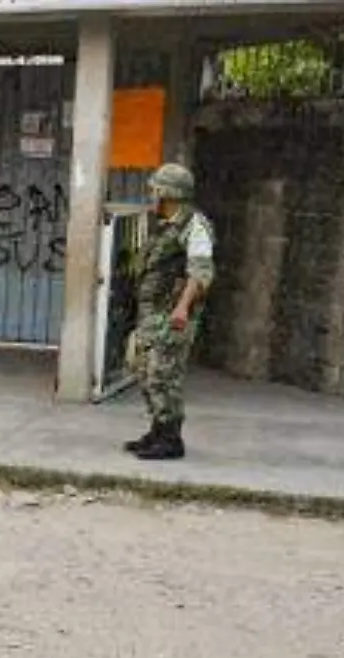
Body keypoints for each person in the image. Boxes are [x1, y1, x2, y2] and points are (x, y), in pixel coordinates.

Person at [124, 162, 216, 461]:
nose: (151, 195)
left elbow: (200, 273)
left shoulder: (194, 225)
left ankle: (171, 439)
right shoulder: (166, 223)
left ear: (169, 193)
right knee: (145, 370)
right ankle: (157, 430)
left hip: (172, 315)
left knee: (164, 375)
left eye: (155, 190)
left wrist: (182, 308)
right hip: (153, 314)